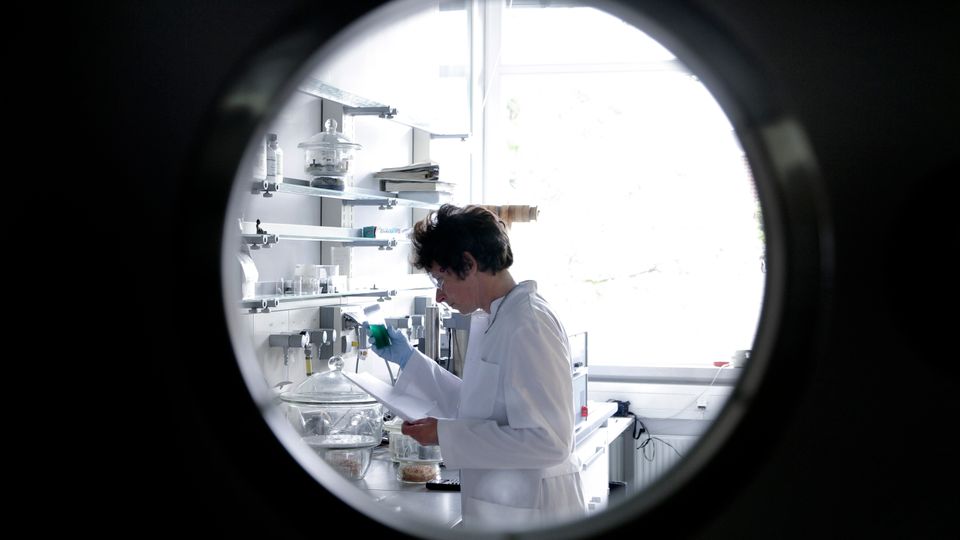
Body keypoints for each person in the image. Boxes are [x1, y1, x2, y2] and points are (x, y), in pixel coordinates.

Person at [368, 204, 586, 529]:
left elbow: (550, 442)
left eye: (441, 279)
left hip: (535, 512)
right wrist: (409, 360)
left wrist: (444, 434)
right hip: (507, 508)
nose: (440, 296)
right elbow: (476, 407)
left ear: (469, 264)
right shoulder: (497, 317)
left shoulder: (528, 324)